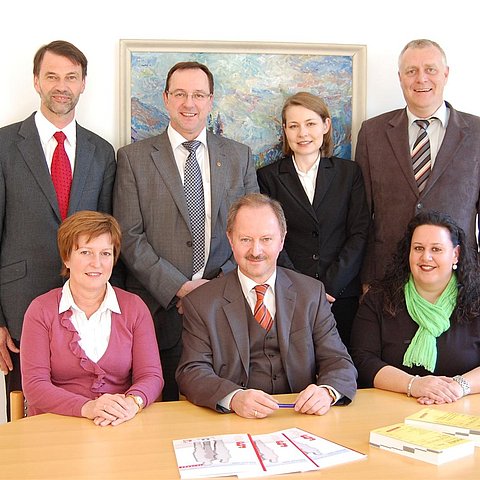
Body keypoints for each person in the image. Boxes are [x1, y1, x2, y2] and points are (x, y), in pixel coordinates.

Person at [113, 61, 258, 401]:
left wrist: (213, 287)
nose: (188, 103)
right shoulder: (133, 158)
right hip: (159, 312)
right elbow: (129, 236)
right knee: (160, 415)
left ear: (210, 100)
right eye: (179, 94)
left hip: (225, 306)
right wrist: (181, 287)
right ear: (165, 98)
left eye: (197, 95)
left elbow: (253, 232)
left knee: (221, 408)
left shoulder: (239, 156)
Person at [0, 40, 116, 417]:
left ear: (84, 83)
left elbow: (108, 238)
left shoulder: (102, 151)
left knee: (95, 413)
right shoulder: (3, 145)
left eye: (71, 77)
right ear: (36, 81)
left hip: (91, 312)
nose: (61, 85)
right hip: (17, 309)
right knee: (30, 419)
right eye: (52, 76)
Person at [176, 193, 357, 418]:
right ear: (230, 240)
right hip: (234, 420)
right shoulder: (201, 302)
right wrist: (233, 398)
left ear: (282, 240)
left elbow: (339, 361)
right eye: (245, 240)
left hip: (299, 417)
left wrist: (327, 392)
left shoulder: (311, 293)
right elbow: (191, 371)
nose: (256, 251)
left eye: (266, 239)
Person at [355, 39, 480, 286]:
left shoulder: (476, 133)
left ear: (445, 74)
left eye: (430, 69)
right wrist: (367, 278)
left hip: (458, 280)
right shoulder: (372, 133)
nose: (421, 79)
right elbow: (361, 217)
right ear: (400, 77)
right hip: (388, 278)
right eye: (411, 71)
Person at [20, 211, 163, 425]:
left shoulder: (134, 307)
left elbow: (151, 376)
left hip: (118, 425)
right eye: (86, 252)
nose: (97, 263)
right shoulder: (40, 310)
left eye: (105, 253)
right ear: (66, 258)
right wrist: (88, 407)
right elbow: (35, 386)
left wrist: (132, 403)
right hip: (54, 427)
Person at [257, 92, 369, 348]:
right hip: (289, 294)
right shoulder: (268, 177)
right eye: (294, 126)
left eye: (310, 123)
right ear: (284, 130)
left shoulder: (349, 173)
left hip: (341, 295)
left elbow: (359, 232)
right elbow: (270, 238)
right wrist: (302, 288)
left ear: (326, 125)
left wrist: (330, 286)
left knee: (342, 369)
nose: (302, 133)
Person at [350, 211, 480, 404]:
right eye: (418, 248)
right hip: (391, 408)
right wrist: (413, 385)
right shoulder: (379, 298)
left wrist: (458, 386)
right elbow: (362, 360)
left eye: (436, 249)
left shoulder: (476, 299)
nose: (426, 257)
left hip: (462, 409)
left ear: (455, 254)